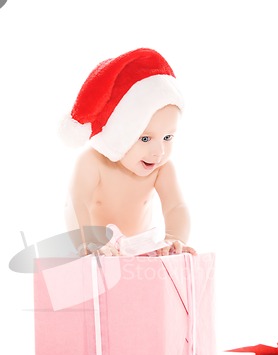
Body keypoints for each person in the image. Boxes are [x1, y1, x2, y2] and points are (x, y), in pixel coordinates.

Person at [60, 48, 196, 256]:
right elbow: (77, 203)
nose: (158, 151)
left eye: (168, 137)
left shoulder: (162, 170)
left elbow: (175, 206)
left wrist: (174, 238)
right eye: (145, 138)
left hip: (138, 252)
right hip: (99, 251)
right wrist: (87, 243)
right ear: (118, 135)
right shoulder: (93, 162)